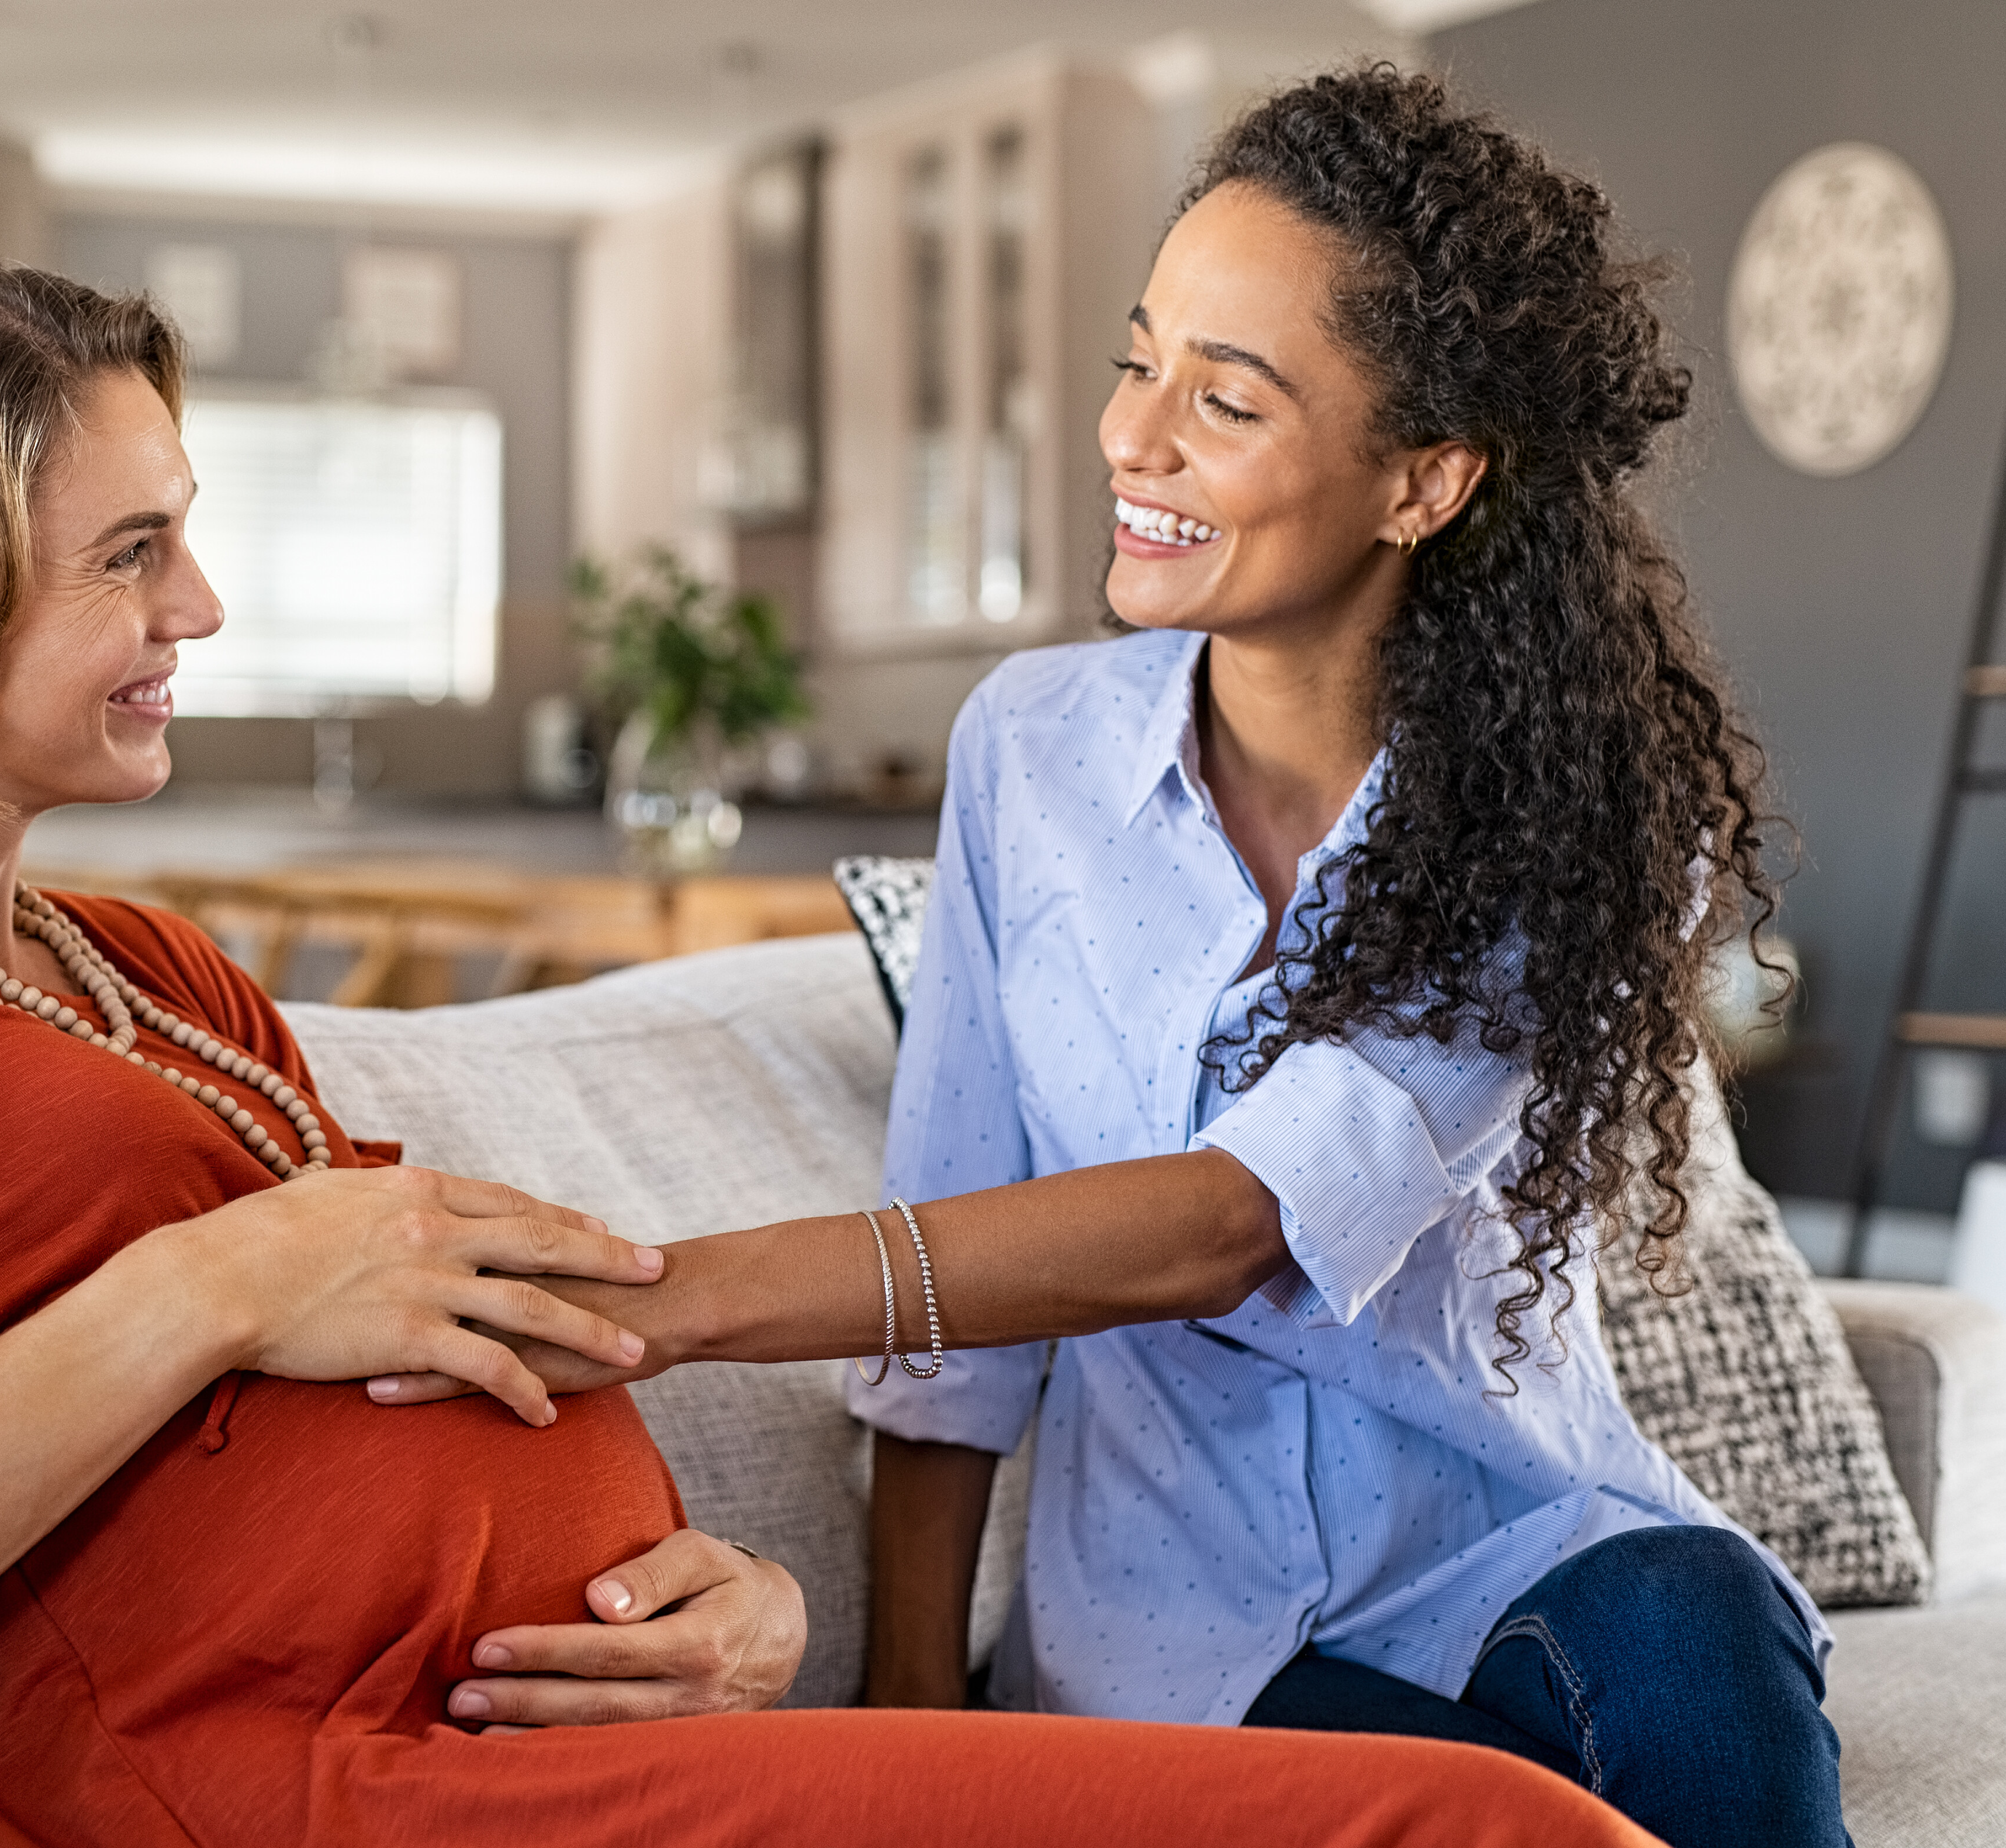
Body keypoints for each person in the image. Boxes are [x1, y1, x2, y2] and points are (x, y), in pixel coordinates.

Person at [0, 253, 1656, 1847]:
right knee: (1481, 1835)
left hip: (588, 1740)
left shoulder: (145, 968)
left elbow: (427, 1357)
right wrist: (209, 1283)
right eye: (133, 551)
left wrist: (738, 1605)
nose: (205, 612)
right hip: (322, 1796)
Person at [828, 66, 1841, 1848]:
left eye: (1221, 400)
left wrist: (670, 1284)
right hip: (1179, 1638)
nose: (1132, 440)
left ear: (1420, 481)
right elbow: (956, 1318)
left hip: (1519, 1556)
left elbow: (1229, 1215)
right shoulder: (1028, 752)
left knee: (1693, 1630)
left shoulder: (1576, 823)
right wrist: (911, 1716)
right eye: (1137, 360)